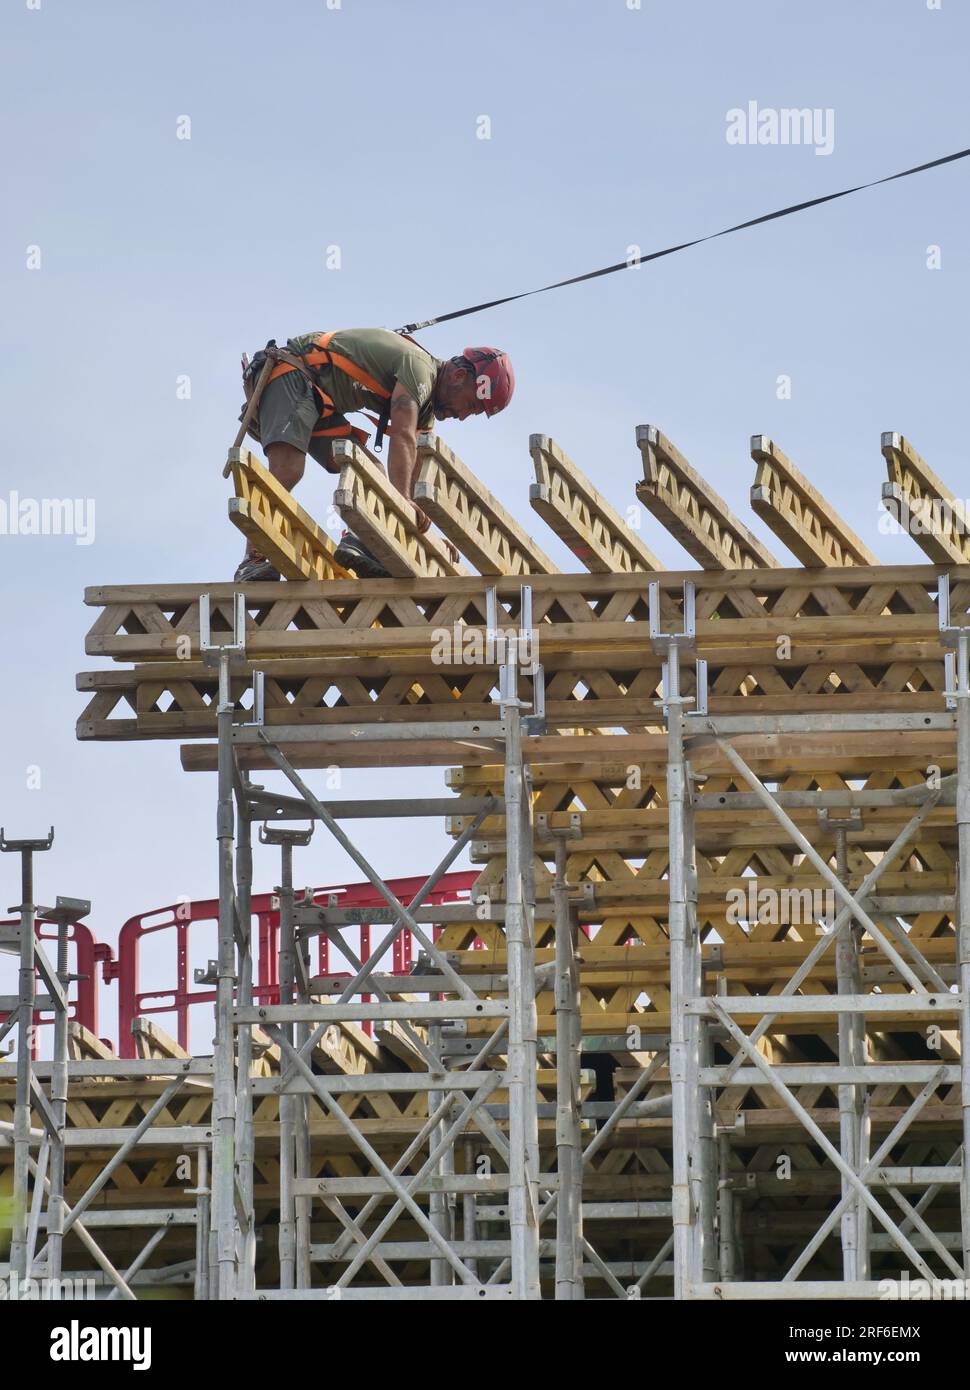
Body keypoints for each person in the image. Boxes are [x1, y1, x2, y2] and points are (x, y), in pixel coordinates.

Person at [235, 328, 515, 580]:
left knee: (372, 475)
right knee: (289, 469)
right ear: (459, 375)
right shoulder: (419, 369)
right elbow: (402, 435)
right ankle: (254, 559)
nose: (463, 416)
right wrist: (401, 500)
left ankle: (361, 542)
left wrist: (430, 539)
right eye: (470, 404)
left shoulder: (427, 406)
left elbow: (412, 475)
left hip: (320, 402)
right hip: (294, 375)